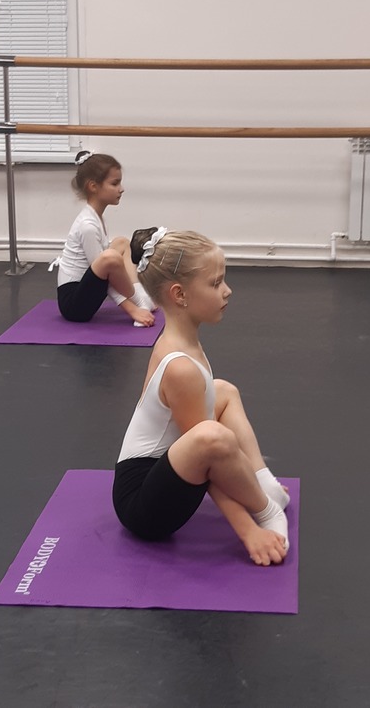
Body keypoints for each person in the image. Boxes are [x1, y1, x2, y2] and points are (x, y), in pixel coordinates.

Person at [112, 227, 290, 566]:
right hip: (143, 508)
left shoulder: (183, 340)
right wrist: (250, 530)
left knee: (224, 391)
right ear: (179, 294)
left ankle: (262, 482)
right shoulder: (180, 367)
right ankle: (266, 509)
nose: (227, 290)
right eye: (215, 283)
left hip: (165, 472)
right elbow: (209, 456)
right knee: (211, 437)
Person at [51, 150, 156, 326]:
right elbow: (106, 275)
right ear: (93, 186)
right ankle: (139, 301)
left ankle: (141, 296)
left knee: (121, 242)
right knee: (109, 258)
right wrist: (133, 310)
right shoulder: (87, 226)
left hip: (85, 289)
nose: (121, 189)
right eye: (115, 183)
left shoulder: (95, 217)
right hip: (74, 306)